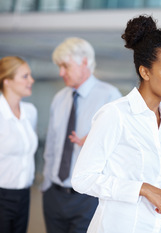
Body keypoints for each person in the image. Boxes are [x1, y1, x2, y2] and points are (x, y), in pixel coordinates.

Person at [71, 15, 161, 233]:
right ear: (145, 72)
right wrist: (142, 189)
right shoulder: (115, 114)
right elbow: (82, 179)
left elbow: (153, 180)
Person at [42, 37, 122, 233]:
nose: (61, 72)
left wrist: (96, 143)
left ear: (84, 62)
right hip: (54, 194)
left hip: (87, 197)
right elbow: (51, 146)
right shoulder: (59, 99)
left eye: (65, 66)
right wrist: (46, 186)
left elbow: (122, 150)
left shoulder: (110, 97)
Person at [0, 56, 38, 233]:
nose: (31, 80)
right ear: (7, 81)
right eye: (25, 76)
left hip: (24, 195)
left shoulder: (30, 112)